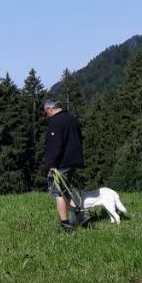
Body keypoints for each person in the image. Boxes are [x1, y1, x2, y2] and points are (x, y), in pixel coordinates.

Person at [41, 99, 84, 232]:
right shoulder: (72, 118)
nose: (46, 115)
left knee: (58, 191)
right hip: (73, 159)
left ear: (50, 109)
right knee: (66, 190)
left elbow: (55, 145)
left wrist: (52, 164)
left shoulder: (56, 122)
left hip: (61, 162)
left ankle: (65, 224)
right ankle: (82, 217)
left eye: (46, 112)